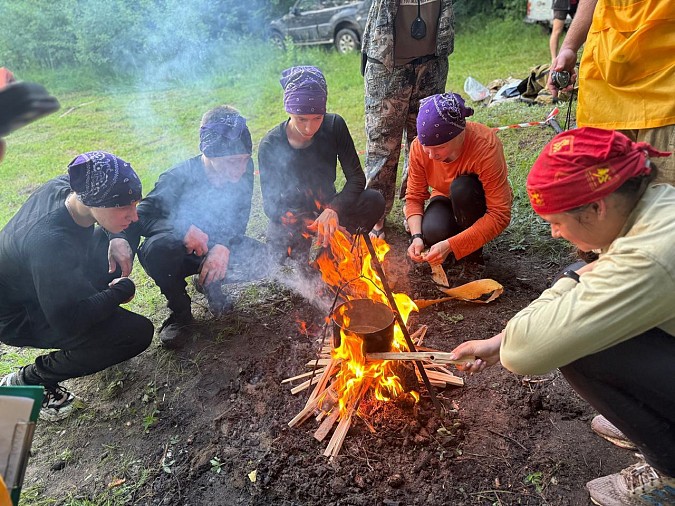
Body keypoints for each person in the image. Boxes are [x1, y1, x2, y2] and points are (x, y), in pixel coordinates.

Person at [450, 128, 675, 505]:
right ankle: (649, 414)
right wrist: (497, 342)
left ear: (597, 207)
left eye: (556, 221)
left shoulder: (650, 256)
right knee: (573, 279)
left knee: (578, 347)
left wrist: (514, 337)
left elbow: (527, 351)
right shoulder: (656, 204)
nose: (554, 233)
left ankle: (670, 467)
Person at [0, 151, 154, 421]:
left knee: (118, 241)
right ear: (96, 202)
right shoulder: (49, 242)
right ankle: (28, 381)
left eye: (135, 204)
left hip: (46, 281)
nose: (134, 215)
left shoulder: (69, 190)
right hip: (18, 313)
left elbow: (109, 221)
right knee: (135, 333)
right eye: (123, 207)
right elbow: (68, 321)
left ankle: (98, 336)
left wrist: (115, 235)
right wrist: (119, 292)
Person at [125, 105, 270, 349]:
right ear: (209, 153)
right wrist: (182, 231)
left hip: (215, 244)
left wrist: (222, 246)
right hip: (177, 252)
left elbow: (239, 215)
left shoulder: (242, 171)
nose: (241, 169)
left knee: (265, 260)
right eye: (233, 162)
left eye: (245, 160)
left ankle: (211, 285)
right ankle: (180, 314)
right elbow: (140, 216)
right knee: (156, 249)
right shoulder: (177, 177)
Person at [258, 65, 385, 259]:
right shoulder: (271, 144)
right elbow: (271, 205)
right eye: (301, 119)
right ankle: (319, 252)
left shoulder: (334, 126)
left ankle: (335, 247)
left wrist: (332, 210)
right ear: (289, 111)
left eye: (317, 118)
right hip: (297, 218)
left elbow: (357, 179)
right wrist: (311, 225)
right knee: (278, 245)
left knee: (374, 200)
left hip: (330, 208)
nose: (310, 128)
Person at [551, 0, 675, 184]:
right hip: (605, 80)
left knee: (664, 193)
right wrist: (569, 47)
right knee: (608, 190)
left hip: (665, 78)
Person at [361, 0, 455, 240]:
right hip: (387, 66)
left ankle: (412, 205)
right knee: (382, 144)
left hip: (432, 64)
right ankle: (376, 212)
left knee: (424, 141)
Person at [405, 92, 512, 272]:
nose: (431, 155)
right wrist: (417, 237)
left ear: (459, 134)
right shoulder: (418, 148)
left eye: (439, 148)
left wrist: (451, 245)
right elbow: (414, 198)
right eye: (426, 148)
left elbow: (499, 214)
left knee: (462, 188)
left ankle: (473, 255)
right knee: (432, 232)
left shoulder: (485, 145)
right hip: (444, 196)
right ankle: (457, 240)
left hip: (476, 199)